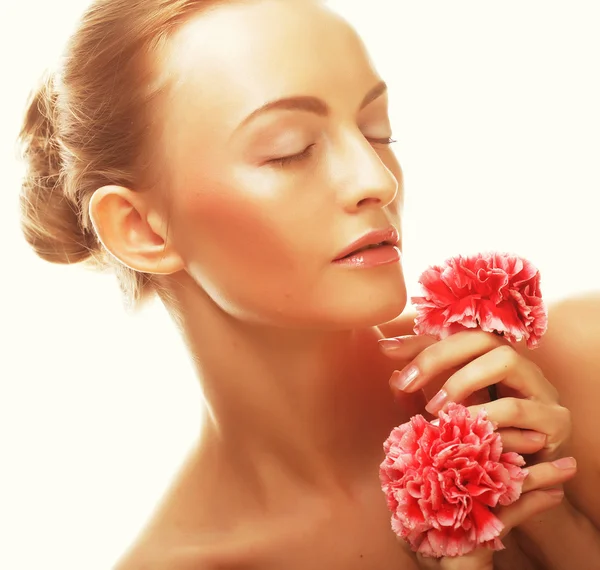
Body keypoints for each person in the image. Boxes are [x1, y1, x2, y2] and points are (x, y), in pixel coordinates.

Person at [17, 0, 600, 568]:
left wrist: (553, 520)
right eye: (289, 151)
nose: (375, 181)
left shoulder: (566, 365)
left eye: (377, 132)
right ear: (142, 228)